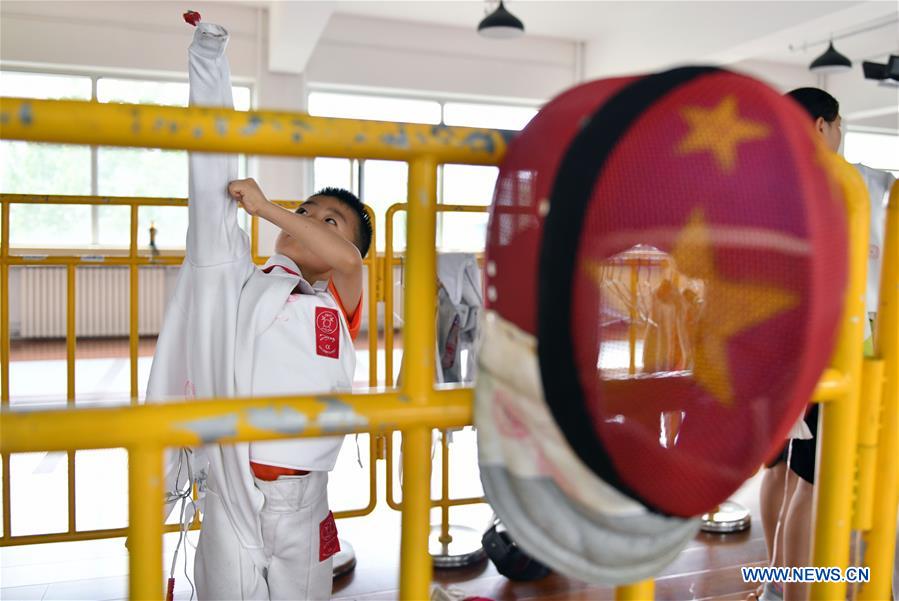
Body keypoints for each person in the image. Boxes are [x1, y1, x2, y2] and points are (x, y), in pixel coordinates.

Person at [146, 19, 371, 600]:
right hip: (230, 487)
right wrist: (209, 60)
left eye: (329, 220)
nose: (312, 223)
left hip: (302, 500)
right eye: (308, 210)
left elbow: (344, 260)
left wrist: (271, 208)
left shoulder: (337, 296)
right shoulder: (242, 284)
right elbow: (210, 178)